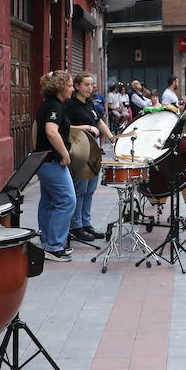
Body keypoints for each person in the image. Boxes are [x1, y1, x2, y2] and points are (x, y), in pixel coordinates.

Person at [65, 72, 116, 244]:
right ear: (77, 86)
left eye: (91, 84)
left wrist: (111, 137)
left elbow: (99, 121)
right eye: (86, 84)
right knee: (80, 188)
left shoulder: (90, 103)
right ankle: (76, 226)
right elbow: (64, 126)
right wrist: (85, 127)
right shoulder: (70, 105)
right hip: (79, 149)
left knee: (90, 189)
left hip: (94, 149)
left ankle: (86, 224)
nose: (90, 88)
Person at [35, 70, 78, 262]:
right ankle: (54, 246)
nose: (72, 89)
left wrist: (37, 150)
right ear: (60, 87)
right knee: (67, 200)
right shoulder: (55, 106)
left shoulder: (47, 105)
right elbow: (51, 131)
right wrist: (65, 154)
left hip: (43, 160)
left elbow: (35, 127)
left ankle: (46, 242)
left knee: (49, 201)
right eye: (69, 85)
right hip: (53, 162)